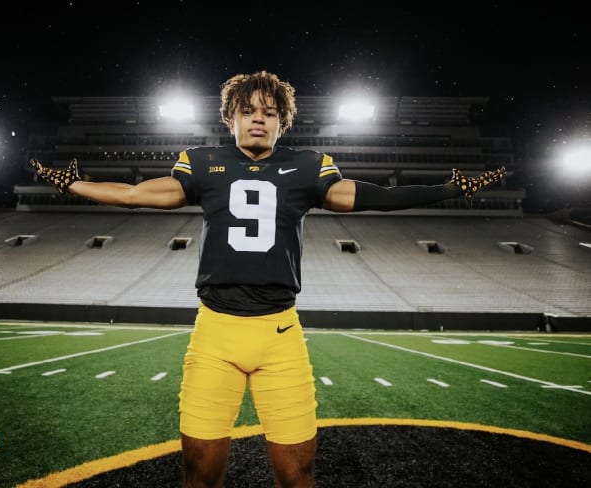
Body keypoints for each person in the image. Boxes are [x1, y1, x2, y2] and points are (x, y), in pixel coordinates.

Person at [31, 70, 505, 487]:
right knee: (199, 475)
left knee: (298, 476)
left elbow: (374, 197)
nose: (259, 118)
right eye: (248, 111)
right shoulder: (202, 162)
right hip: (214, 333)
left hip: (280, 336)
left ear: (283, 122)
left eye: (270, 112)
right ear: (229, 119)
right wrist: (75, 183)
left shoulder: (307, 166)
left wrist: (443, 189)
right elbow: (135, 195)